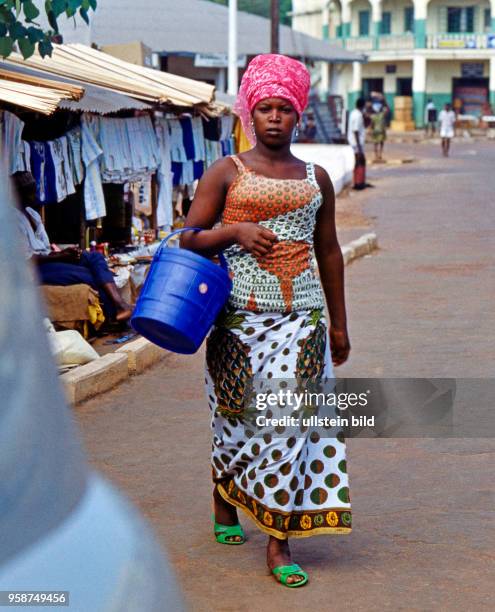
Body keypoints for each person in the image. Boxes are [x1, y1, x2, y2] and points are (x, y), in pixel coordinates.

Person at [180, 54, 352, 588]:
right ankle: (224, 493)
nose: (275, 117)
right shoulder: (227, 171)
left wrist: (340, 325)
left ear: (298, 114)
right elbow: (188, 237)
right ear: (249, 114)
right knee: (236, 420)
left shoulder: (315, 176)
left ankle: (279, 541)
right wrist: (235, 233)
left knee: (291, 425)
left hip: (303, 320)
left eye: (285, 109)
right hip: (237, 322)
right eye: (265, 108)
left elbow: (329, 251)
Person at [13, 171, 132, 322]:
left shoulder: (32, 213)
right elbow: (26, 258)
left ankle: (120, 304)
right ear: (17, 194)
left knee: (95, 257)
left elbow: (46, 247)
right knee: (87, 275)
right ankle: (113, 315)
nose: (35, 195)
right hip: (33, 271)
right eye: (29, 192)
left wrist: (64, 253)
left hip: (50, 260)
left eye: (33, 189)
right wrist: (61, 256)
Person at [348, 97, 369, 189]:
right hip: (356, 142)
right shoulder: (357, 115)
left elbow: (366, 124)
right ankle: (357, 183)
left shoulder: (355, 113)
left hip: (356, 142)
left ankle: (361, 181)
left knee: (361, 161)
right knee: (359, 161)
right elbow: (355, 130)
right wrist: (359, 147)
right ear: (363, 105)